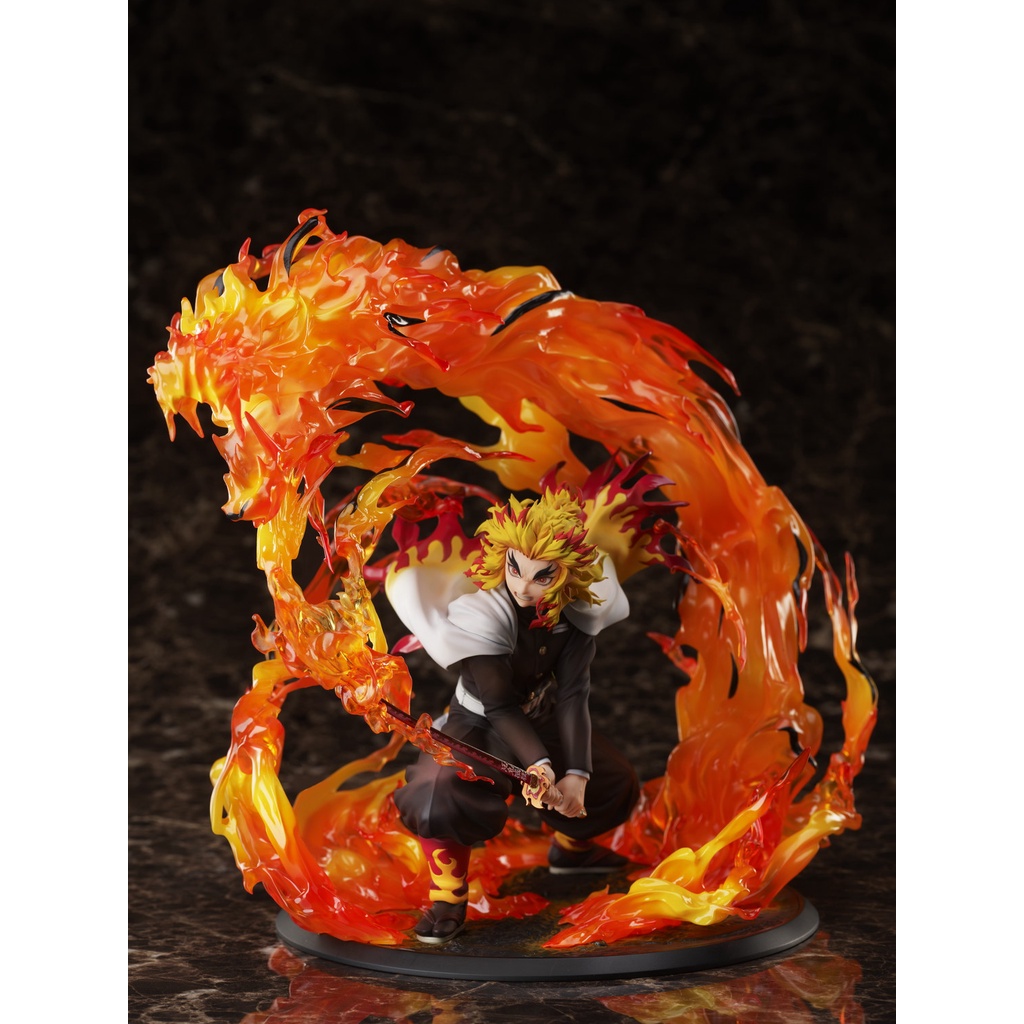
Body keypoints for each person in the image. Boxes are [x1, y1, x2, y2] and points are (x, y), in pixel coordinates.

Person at [386, 485, 640, 944]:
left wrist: (575, 775)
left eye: (543, 575)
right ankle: (447, 896)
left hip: (540, 713)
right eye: (514, 568)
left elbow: (573, 694)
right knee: (438, 791)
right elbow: (499, 705)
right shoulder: (483, 612)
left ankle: (572, 850)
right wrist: (539, 765)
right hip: (478, 720)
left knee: (611, 779)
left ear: (568, 571)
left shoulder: (577, 611)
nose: (523, 587)